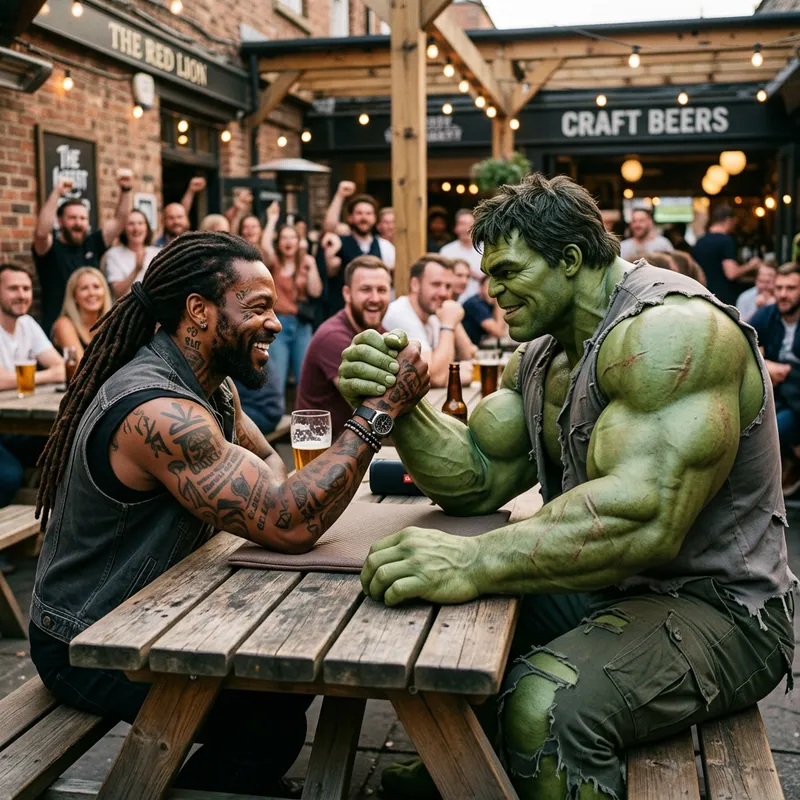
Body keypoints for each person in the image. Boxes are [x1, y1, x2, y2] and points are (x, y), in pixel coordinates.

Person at [338, 173, 795, 800]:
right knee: (448, 616)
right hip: (610, 585)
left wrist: (475, 557)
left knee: (541, 706)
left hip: (719, 611)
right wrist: (399, 405)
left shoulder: (671, 333)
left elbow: (645, 516)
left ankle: (503, 751)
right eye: (487, 275)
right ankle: (466, 766)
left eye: (506, 272)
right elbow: (476, 475)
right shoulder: (545, 354)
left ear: (571, 259)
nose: (490, 292)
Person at [29, 231, 429, 797]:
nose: (275, 323)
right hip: (84, 640)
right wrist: (378, 413)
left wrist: (266, 499)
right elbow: (288, 522)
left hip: (151, 611)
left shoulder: (210, 390)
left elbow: (269, 470)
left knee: (285, 686)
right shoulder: (160, 411)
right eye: (258, 307)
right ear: (199, 311)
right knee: (266, 722)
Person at [297, 255, 391, 437]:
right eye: (366, 289)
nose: (375, 298)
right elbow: (373, 405)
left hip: (355, 443)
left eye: (382, 290)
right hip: (324, 452)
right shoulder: (333, 337)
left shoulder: (375, 330)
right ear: (347, 293)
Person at [32, 172, 132, 334]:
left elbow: (120, 221)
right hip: (58, 329)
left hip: (91, 330)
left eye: (82, 218)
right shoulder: (50, 248)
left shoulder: (92, 243)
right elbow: (42, 233)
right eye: (72, 218)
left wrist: (126, 189)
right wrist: (57, 192)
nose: (78, 223)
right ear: (60, 221)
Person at [0, 265, 65, 507]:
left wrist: (24, 378)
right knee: (8, 477)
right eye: (13, 288)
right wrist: (40, 375)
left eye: (26, 288)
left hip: (17, 423)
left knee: (65, 444)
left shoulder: (27, 324)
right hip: (5, 424)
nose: (21, 294)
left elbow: (61, 368)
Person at [381, 255, 475, 387]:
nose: (444, 293)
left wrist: (453, 320)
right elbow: (435, 377)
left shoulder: (432, 315)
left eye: (448, 286)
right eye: (436, 284)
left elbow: (468, 356)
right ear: (415, 284)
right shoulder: (400, 314)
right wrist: (448, 324)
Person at [262, 202, 323, 398]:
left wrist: (311, 265)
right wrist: (271, 219)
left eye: (292, 238)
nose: (288, 242)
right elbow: (264, 246)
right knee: (276, 378)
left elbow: (316, 292)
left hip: (301, 326)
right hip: (278, 324)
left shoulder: (306, 262)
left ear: (298, 241)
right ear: (278, 242)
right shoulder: (274, 263)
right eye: (284, 238)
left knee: (304, 378)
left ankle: (306, 418)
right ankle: (277, 419)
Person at [750, 263, 800, 475]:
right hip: (774, 395)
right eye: (778, 288)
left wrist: (789, 372)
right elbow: (745, 344)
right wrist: (766, 364)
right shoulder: (768, 315)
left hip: (795, 398)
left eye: (790, 288)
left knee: (773, 429)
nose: (782, 294)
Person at [322, 182, 395, 316]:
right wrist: (340, 195)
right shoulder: (339, 242)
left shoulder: (385, 246)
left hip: (374, 314)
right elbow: (329, 228)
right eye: (359, 213)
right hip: (342, 313)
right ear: (350, 218)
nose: (364, 217)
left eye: (368, 213)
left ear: (374, 218)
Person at [693, 205, 759, 306]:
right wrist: (751, 265)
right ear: (729, 220)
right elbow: (731, 273)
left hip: (703, 295)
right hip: (723, 298)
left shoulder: (699, 242)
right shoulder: (726, 241)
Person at [51, 267, 112, 361]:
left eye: (96, 287)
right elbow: (80, 367)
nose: (91, 293)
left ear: (104, 292)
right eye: (84, 288)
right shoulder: (64, 324)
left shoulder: (111, 324)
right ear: (74, 296)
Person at [104, 210, 160, 299]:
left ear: (147, 227)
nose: (136, 228)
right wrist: (136, 270)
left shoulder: (157, 253)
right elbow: (117, 293)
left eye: (140, 223)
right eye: (131, 224)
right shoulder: (113, 254)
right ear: (124, 229)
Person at [439, 209, 483, 301]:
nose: (466, 228)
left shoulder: (486, 249)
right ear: (455, 228)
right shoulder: (446, 251)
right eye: (462, 224)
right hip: (452, 300)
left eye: (470, 224)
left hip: (480, 303)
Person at [154, 177, 206, 247]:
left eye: (180, 217)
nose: (176, 221)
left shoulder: (195, 245)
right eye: (171, 218)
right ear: (163, 221)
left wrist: (191, 191)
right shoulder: (156, 247)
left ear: (187, 220)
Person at [462, 273, 508, 346]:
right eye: (490, 287)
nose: (494, 292)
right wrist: (498, 303)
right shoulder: (474, 304)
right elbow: (499, 332)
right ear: (481, 288)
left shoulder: (487, 304)